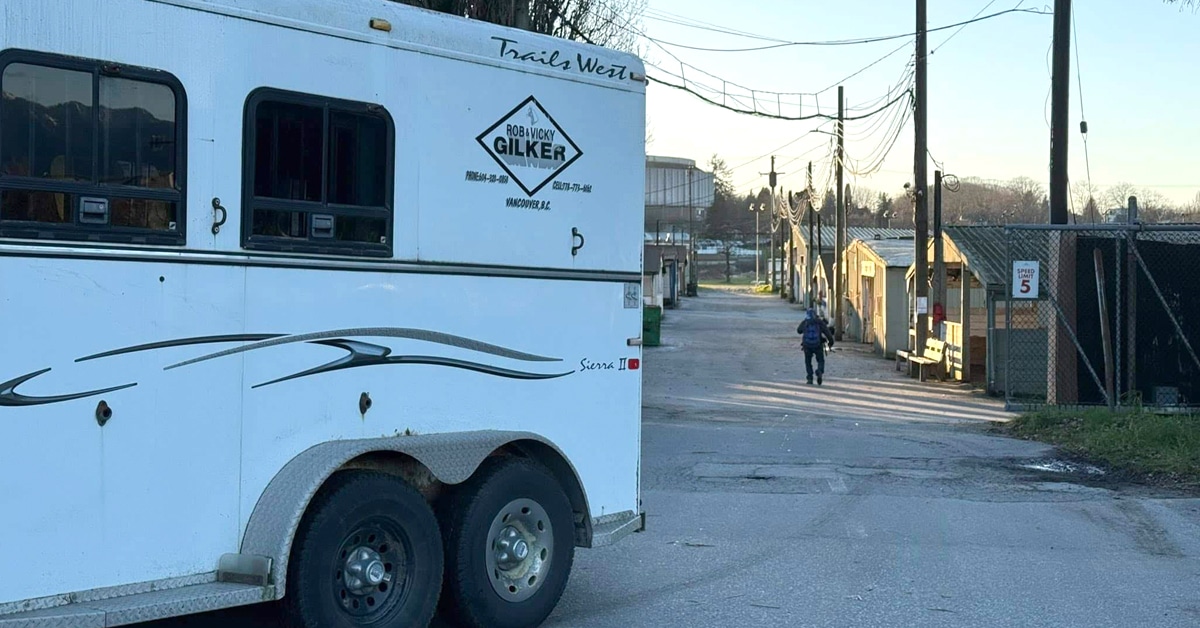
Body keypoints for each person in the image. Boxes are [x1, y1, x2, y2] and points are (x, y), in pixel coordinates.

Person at [797, 308, 835, 385]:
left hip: (807, 345)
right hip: (818, 344)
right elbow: (828, 333)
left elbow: (798, 330)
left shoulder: (805, 322)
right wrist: (831, 343)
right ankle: (819, 371)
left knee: (808, 361)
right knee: (820, 360)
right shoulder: (819, 322)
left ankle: (810, 378)